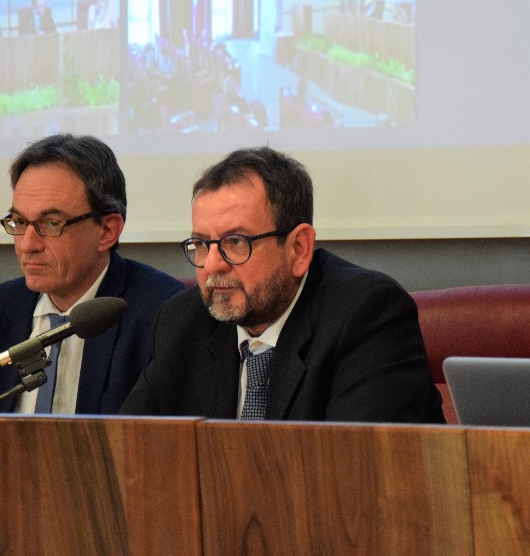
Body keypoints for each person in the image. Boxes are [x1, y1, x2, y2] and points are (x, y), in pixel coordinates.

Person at [120, 146, 444, 423]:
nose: (212, 264)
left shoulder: (366, 316)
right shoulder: (182, 321)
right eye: (201, 244)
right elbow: (124, 446)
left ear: (298, 249)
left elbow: (355, 465)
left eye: (236, 241)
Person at [0, 134, 185, 414]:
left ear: (107, 231)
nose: (27, 245)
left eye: (52, 223)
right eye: (19, 222)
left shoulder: (165, 318)